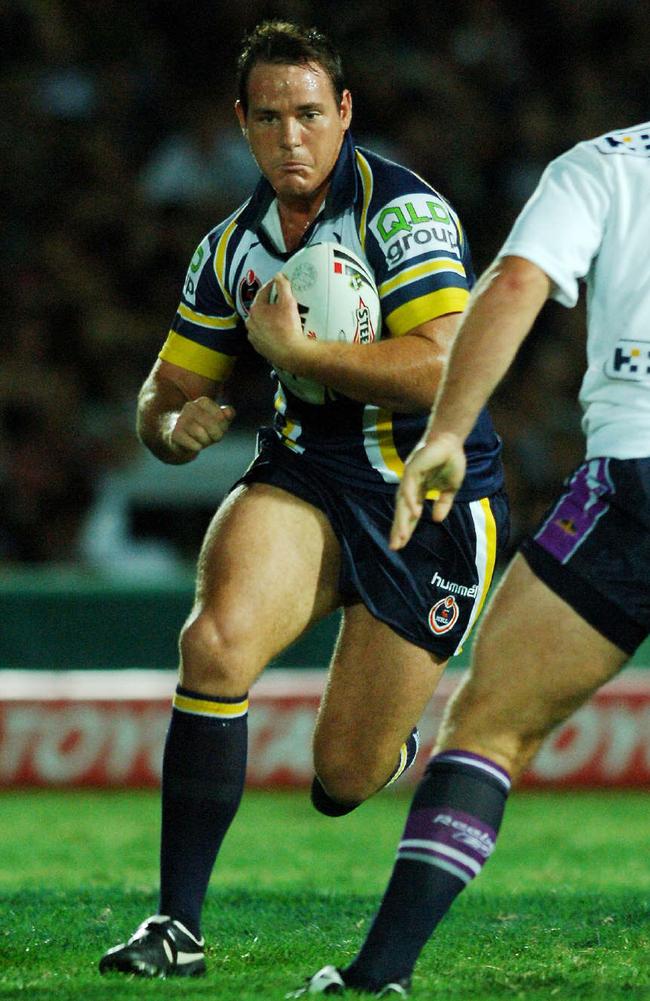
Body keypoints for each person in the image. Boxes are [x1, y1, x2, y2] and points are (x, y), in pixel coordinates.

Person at [98, 20, 508, 985]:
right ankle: (177, 925)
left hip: (429, 497)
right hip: (308, 470)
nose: (293, 138)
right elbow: (162, 395)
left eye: (311, 116)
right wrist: (171, 429)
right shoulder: (230, 247)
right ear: (242, 123)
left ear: (345, 114)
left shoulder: (403, 213)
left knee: (342, 779)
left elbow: (449, 366)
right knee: (214, 640)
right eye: (272, 117)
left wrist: (299, 356)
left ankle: (383, 739)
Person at [295, 120, 650, 996]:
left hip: (636, 480)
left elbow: (518, 279)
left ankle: (378, 976)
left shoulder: (604, 165)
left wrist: (447, 431)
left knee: (491, 725)